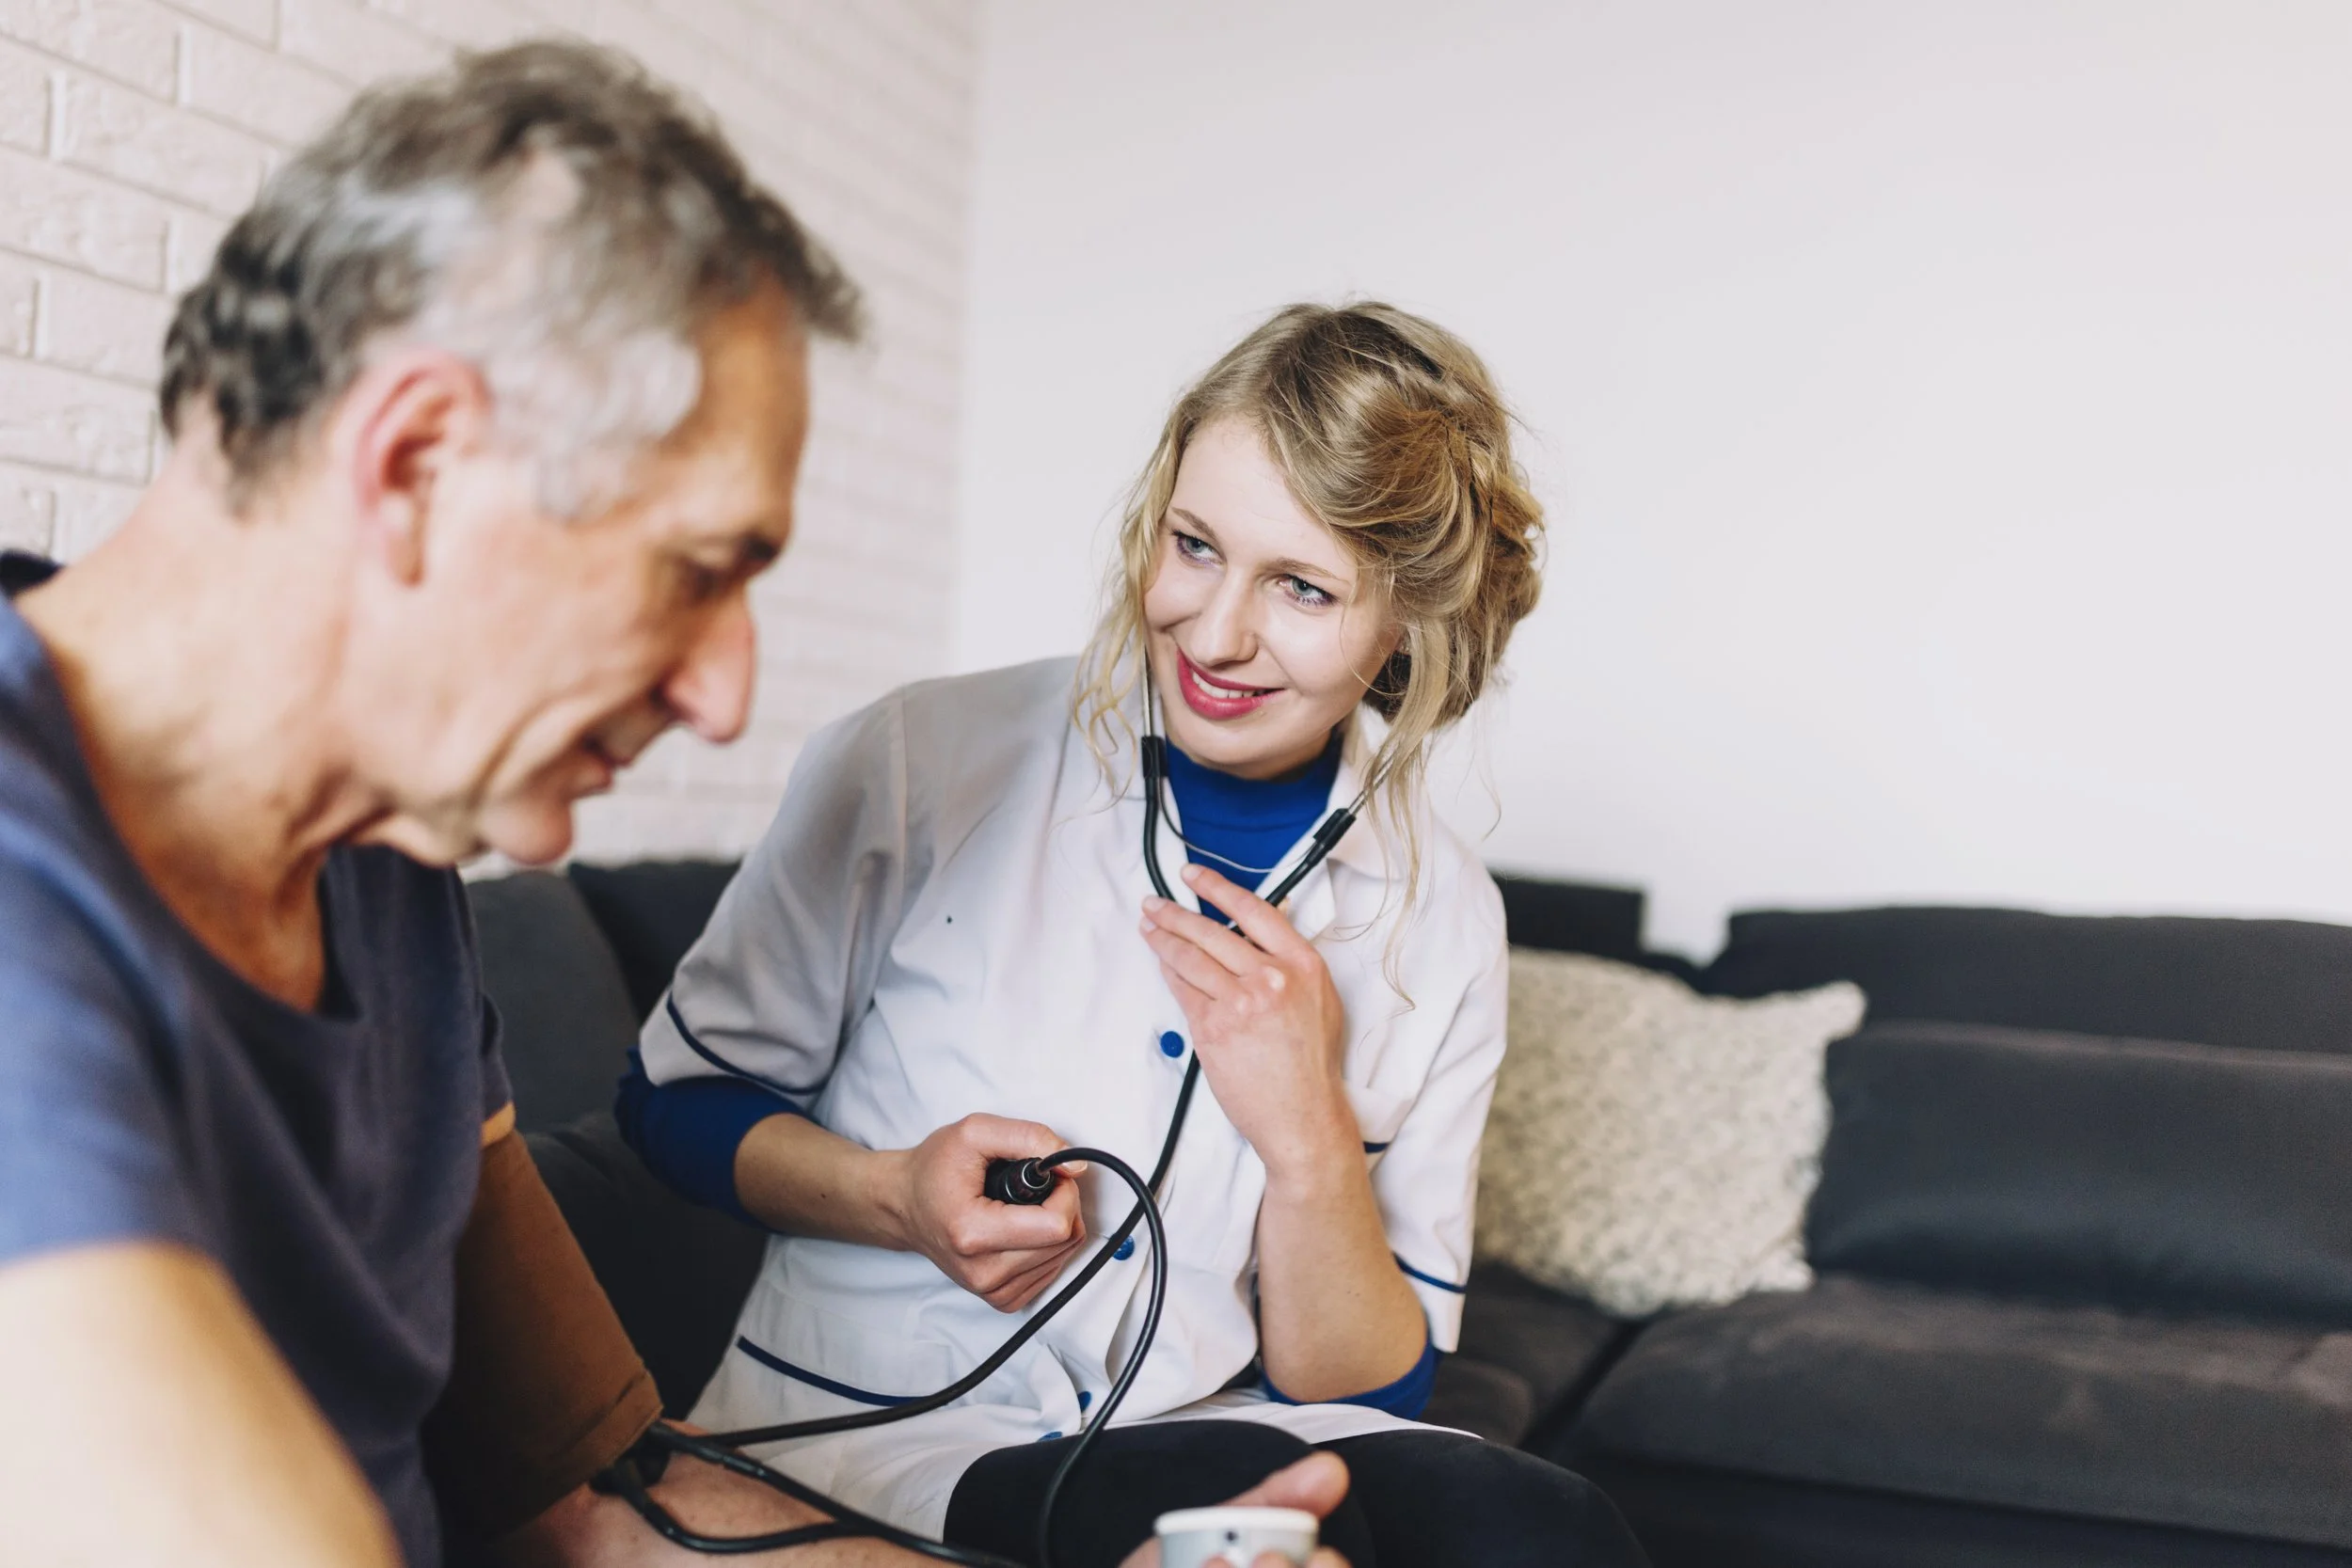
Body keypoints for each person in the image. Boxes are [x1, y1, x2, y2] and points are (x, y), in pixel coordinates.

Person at [0, 40, 1345, 1568]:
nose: (724, 692)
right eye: (696, 572)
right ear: (418, 462)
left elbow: (604, 1508)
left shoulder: (388, 870)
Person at [621, 304, 1651, 1567]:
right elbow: (670, 1100)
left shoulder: (1443, 913)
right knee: (1259, 1507)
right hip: (881, 1432)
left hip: (1202, 1420)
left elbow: (1378, 1391)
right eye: (1195, 545)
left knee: (1545, 1525)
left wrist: (1312, 1135)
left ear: (1408, 623)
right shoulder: (921, 759)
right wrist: (893, 1194)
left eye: (1303, 588)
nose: (1215, 633)